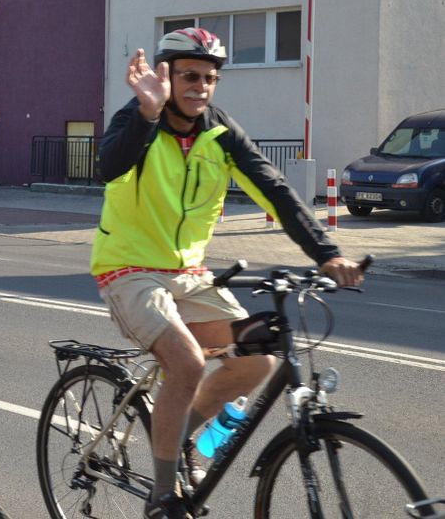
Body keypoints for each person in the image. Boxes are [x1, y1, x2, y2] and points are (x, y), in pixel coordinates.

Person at [92, 28, 363, 519]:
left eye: (210, 78)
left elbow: (275, 191)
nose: (201, 86)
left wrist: (327, 254)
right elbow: (107, 168)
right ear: (166, 76)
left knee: (258, 358)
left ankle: (175, 438)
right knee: (189, 364)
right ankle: (161, 496)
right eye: (190, 76)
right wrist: (148, 113)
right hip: (128, 270)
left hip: (188, 273)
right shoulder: (137, 120)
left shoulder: (220, 132)